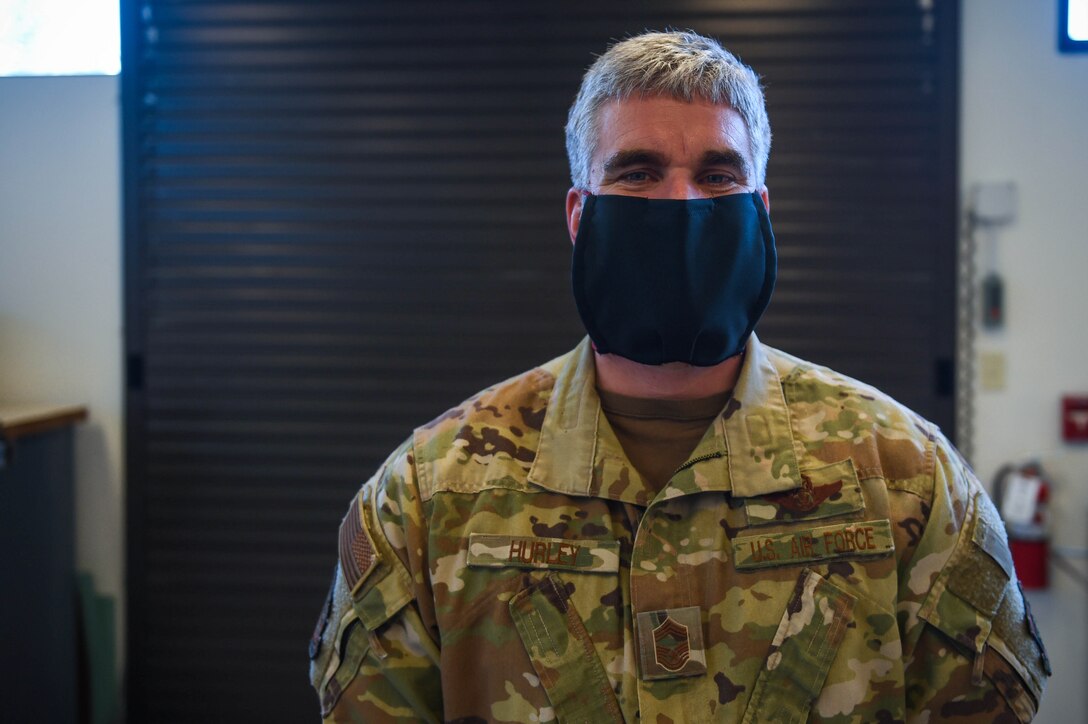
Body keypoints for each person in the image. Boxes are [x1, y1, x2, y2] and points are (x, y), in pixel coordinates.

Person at [308, 30, 1049, 723]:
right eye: (637, 172)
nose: (682, 204)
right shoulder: (429, 497)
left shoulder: (909, 479)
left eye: (718, 174)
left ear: (760, 212)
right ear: (578, 214)